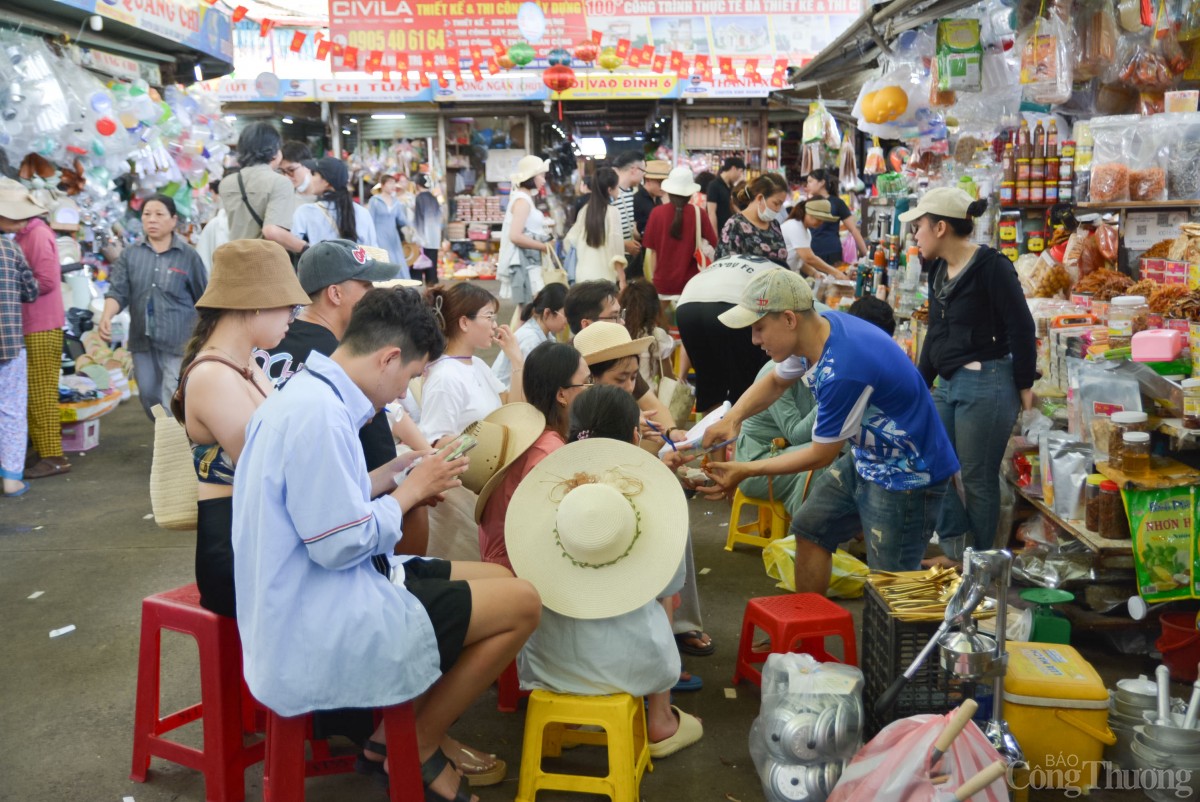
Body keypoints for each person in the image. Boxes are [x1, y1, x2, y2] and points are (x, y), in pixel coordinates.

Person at [232, 288, 541, 802]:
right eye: (409, 376)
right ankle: (417, 742)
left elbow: (324, 505)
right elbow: (338, 543)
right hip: (320, 609)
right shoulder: (320, 415)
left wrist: (393, 474)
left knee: (505, 581)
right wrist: (411, 493)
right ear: (388, 357)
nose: (403, 392)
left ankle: (393, 740)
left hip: (316, 587)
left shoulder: (311, 395)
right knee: (525, 603)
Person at [700, 269, 960, 595]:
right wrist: (733, 419)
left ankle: (916, 646)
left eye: (759, 328)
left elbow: (820, 454)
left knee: (893, 588)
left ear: (790, 320)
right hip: (869, 457)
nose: (754, 340)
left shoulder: (844, 369)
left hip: (909, 473)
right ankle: (808, 631)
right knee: (811, 528)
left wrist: (745, 469)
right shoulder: (819, 332)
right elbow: (776, 381)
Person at [507, 385, 703, 759]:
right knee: (665, 601)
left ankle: (573, 720)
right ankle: (660, 718)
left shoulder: (544, 493)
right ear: (634, 435)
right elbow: (670, 591)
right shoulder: (656, 507)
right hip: (632, 669)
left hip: (548, 666)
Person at [169, 239, 310, 618]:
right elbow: (272, 472)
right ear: (257, 303)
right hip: (238, 556)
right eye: (291, 307)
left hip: (263, 539)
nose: (293, 318)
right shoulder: (214, 375)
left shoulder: (246, 361)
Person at [908, 189, 1036, 561]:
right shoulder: (935, 268)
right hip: (947, 383)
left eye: (919, 227)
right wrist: (919, 383)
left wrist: (1025, 383)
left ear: (941, 227)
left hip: (988, 382)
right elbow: (936, 330)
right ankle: (958, 548)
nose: (916, 235)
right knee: (928, 460)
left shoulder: (992, 267)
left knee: (977, 479)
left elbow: (1021, 326)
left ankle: (980, 567)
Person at [418, 282, 525, 561]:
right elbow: (435, 440)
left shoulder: (476, 365)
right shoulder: (444, 376)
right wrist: (486, 454)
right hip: (465, 493)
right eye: (489, 316)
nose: (494, 325)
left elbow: (513, 410)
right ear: (464, 322)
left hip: (488, 482)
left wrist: (516, 359)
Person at [477, 342, 589, 571]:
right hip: (517, 573)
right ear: (561, 394)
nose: (591, 389)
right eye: (586, 382)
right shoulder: (549, 452)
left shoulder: (528, 434)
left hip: (502, 563)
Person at [98, 195, 208, 419]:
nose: (152, 220)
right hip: (142, 340)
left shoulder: (188, 257)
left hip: (178, 340)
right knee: (148, 394)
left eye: (159, 214)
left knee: (171, 393)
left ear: (173, 219)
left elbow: (203, 298)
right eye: (147, 214)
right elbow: (118, 291)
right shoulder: (130, 254)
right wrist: (106, 316)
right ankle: (166, 433)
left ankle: (175, 446)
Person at [0, 179, 69, 479]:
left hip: (41, 323)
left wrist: (13, 286)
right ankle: (41, 450)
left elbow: (47, 281)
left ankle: (53, 456)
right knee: (30, 394)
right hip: (29, 324)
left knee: (41, 395)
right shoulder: (20, 238)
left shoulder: (37, 235)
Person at [674, 254, 776, 412]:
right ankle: (740, 430)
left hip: (686, 304)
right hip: (730, 302)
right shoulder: (778, 272)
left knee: (709, 383)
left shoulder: (728, 259)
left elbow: (690, 346)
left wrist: (682, 374)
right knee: (746, 384)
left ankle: (709, 430)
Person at [218, 122, 307, 254]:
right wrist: (307, 248)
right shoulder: (279, 182)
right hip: (264, 263)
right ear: (275, 151)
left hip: (234, 262)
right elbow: (271, 231)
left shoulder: (226, 183)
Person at [642, 166, 718, 298]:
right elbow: (714, 243)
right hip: (692, 284)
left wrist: (654, 280)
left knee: (662, 319)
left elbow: (652, 252)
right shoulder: (699, 213)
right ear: (690, 193)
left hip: (662, 284)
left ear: (669, 191)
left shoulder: (657, 213)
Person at [0, 239, 37, 497]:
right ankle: (11, 480)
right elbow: (31, 291)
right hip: (8, 343)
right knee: (11, 411)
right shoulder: (9, 249)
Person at [490, 282, 568, 392]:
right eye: (565, 314)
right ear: (547, 313)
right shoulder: (530, 339)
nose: (567, 320)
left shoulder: (546, 335)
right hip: (505, 398)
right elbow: (530, 383)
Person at [497, 155, 551, 303]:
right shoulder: (522, 201)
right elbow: (515, 235)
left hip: (529, 261)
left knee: (530, 310)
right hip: (526, 263)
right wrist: (543, 247)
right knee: (531, 309)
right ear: (532, 177)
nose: (544, 180)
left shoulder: (523, 198)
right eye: (542, 175)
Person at [292, 157, 377, 249]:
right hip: (356, 263)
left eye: (314, 174)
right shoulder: (363, 213)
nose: (311, 179)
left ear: (326, 182)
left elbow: (293, 246)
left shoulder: (305, 212)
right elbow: (373, 250)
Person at [564, 167, 627, 287]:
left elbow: (569, 241)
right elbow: (616, 249)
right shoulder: (612, 212)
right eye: (617, 187)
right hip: (604, 279)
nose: (619, 190)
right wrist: (622, 279)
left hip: (582, 277)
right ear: (609, 189)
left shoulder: (585, 210)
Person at [716, 173, 790, 267]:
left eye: (781, 205)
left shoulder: (774, 225)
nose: (778, 209)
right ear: (760, 198)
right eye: (776, 203)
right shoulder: (735, 225)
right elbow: (724, 267)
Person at [805, 168, 867, 267]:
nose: (807, 185)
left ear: (821, 183)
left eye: (810, 181)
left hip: (832, 253)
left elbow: (853, 230)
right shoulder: (808, 203)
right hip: (811, 253)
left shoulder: (837, 203)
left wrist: (866, 254)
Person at [621, 280, 675, 385]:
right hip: (648, 398)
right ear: (654, 307)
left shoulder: (618, 333)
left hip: (621, 397)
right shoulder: (657, 335)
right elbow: (667, 378)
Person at [782, 199, 848, 279]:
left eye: (823, 220)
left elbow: (799, 261)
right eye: (818, 218)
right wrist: (835, 272)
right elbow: (809, 257)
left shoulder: (806, 232)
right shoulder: (795, 226)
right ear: (807, 213)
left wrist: (814, 273)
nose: (821, 222)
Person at [626, 159, 669, 279]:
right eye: (660, 182)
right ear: (648, 180)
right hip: (640, 258)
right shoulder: (637, 199)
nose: (663, 187)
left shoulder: (658, 199)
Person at [368, 175, 411, 278]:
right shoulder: (375, 200)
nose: (393, 186)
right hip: (379, 235)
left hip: (393, 237)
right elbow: (370, 220)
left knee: (397, 260)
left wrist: (411, 226)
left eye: (393, 183)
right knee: (384, 259)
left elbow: (402, 220)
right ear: (382, 185)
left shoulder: (396, 201)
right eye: (390, 183)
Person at [611, 151, 645, 267]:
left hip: (629, 260)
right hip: (613, 261)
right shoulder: (610, 194)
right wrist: (624, 244)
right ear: (634, 170)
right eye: (643, 171)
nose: (643, 176)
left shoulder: (632, 193)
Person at [411, 175, 443, 286]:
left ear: (417, 185)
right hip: (435, 239)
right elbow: (440, 218)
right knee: (432, 269)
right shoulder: (434, 198)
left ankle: (418, 294)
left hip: (423, 238)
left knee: (417, 268)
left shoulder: (419, 198)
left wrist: (418, 238)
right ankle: (432, 293)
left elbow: (419, 220)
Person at [705, 157, 745, 238]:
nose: (740, 175)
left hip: (729, 231)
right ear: (733, 168)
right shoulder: (714, 185)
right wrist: (715, 236)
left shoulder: (730, 186)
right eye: (740, 172)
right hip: (720, 231)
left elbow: (732, 206)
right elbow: (711, 212)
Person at [279, 140, 317, 209]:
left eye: (291, 170)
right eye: (283, 171)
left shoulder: (326, 198)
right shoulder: (284, 200)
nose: (286, 177)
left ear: (307, 165)